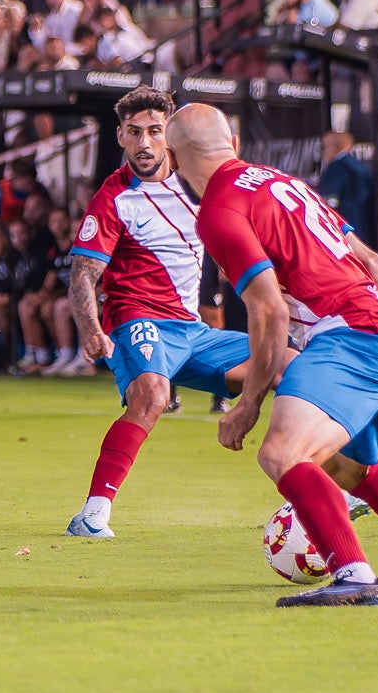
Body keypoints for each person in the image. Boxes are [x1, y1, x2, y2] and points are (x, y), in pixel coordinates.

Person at [169, 103, 378, 606]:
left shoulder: (219, 211)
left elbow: (271, 314)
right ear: (232, 143)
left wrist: (248, 404)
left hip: (350, 339)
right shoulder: (285, 184)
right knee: (349, 470)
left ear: (173, 158)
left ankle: (356, 576)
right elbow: (371, 260)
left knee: (281, 453)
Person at [62, 88, 253, 538]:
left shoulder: (199, 184)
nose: (144, 143)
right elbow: (83, 275)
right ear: (121, 138)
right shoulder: (113, 198)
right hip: (137, 320)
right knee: (151, 396)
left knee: (289, 365)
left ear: (168, 135)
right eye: (134, 134)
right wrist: (91, 330)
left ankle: (339, 484)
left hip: (193, 331)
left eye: (153, 131)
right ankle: (92, 515)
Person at [313, 130, 378, 249]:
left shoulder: (336, 168)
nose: (323, 153)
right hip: (364, 229)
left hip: (344, 231)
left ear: (333, 147)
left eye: (324, 147)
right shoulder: (360, 166)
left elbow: (330, 201)